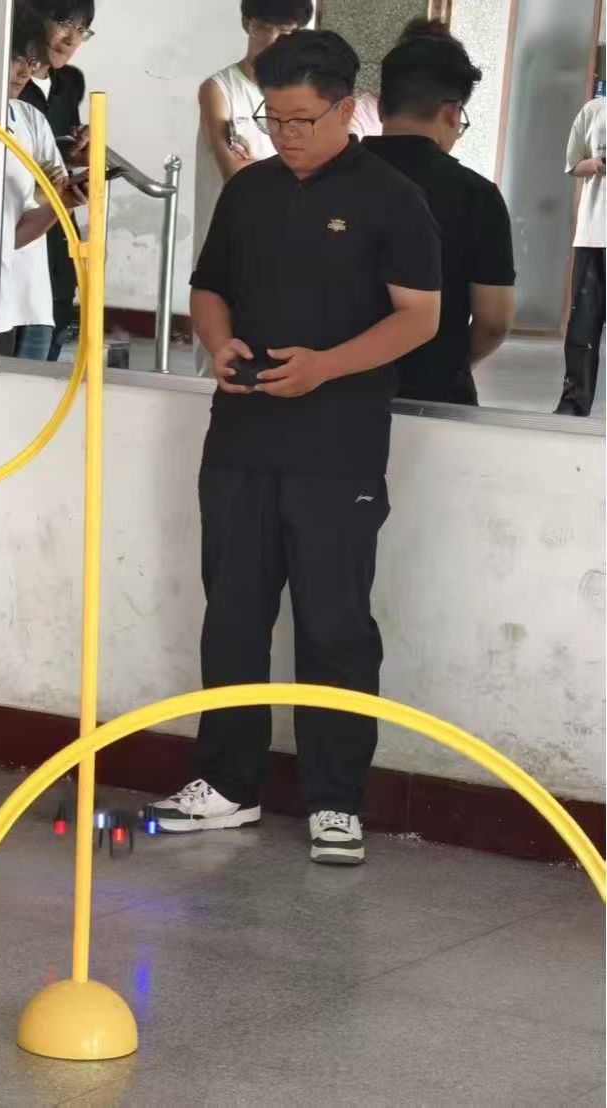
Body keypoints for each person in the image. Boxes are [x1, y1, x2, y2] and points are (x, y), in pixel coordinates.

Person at [153, 31, 442, 864]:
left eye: (303, 120)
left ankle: (335, 801)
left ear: (348, 110)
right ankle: (227, 783)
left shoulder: (392, 199)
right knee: (233, 617)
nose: (286, 135)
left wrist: (324, 368)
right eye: (274, 119)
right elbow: (209, 289)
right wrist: (219, 344)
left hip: (337, 449)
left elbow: (419, 318)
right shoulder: (249, 191)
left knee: (334, 625)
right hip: (240, 441)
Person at [363, 21, 515, 405]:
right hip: (437, 394)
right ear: (451, 112)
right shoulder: (477, 196)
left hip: (338, 392)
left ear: (380, 106)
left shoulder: (332, 179)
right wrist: (456, 363)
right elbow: (494, 321)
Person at [193, 0, 315, 376]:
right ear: (247, 24)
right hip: (227, 245)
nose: (275, 39)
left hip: (286, 243)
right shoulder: (219, 89)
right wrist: (277, 171)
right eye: (266, 27)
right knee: (221, 362)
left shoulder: (300, 96)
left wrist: (255, 165)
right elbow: (236, 177)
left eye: (287, 32)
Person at [0, 8, 86, 359]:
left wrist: (64, 198)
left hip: (31, 292)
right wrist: (49, 197)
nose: (24, 72)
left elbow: (53, 195)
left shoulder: (30, 118)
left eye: (30, 62)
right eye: (15, 60)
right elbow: (0, 239)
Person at [20, 1, 96, 361]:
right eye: (65, 23)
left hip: (57, 240)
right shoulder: (5, 82)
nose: (72, 40)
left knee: (48, 357)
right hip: (20, 236)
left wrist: (76, 153)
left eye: (82, 30)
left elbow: (55, 151)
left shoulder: (69, 83)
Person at [555, 95, 606, 416]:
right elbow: (573, 164)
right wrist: (596, 164)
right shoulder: (595, 109)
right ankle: (574, 403)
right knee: (583, 325)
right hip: (595, 232)